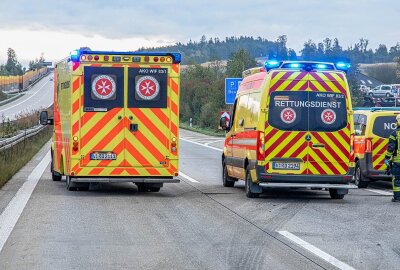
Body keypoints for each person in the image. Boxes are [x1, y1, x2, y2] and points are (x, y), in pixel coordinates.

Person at [384, 114, 400, 202]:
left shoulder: (394, 134)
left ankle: (397, 197)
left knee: (397, 179)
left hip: (398, 162)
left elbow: (391, 148)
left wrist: (387, 158)